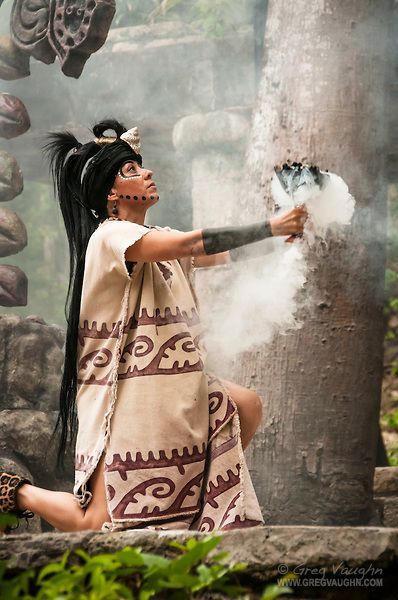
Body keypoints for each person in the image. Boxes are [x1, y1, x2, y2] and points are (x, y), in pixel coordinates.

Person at [0, 120, 307, 533]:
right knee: (95, 522)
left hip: (175, 389)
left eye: (140, 168)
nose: (147, 173)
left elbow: (217, 256)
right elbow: (192, 244)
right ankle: (14, 492)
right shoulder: (110, 237)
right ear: (110, 194)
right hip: (128, 398)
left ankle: (199, 499)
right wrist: (272, 226)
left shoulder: (155, 238)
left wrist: (280, 233)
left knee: (244, 405)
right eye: (131, 171)